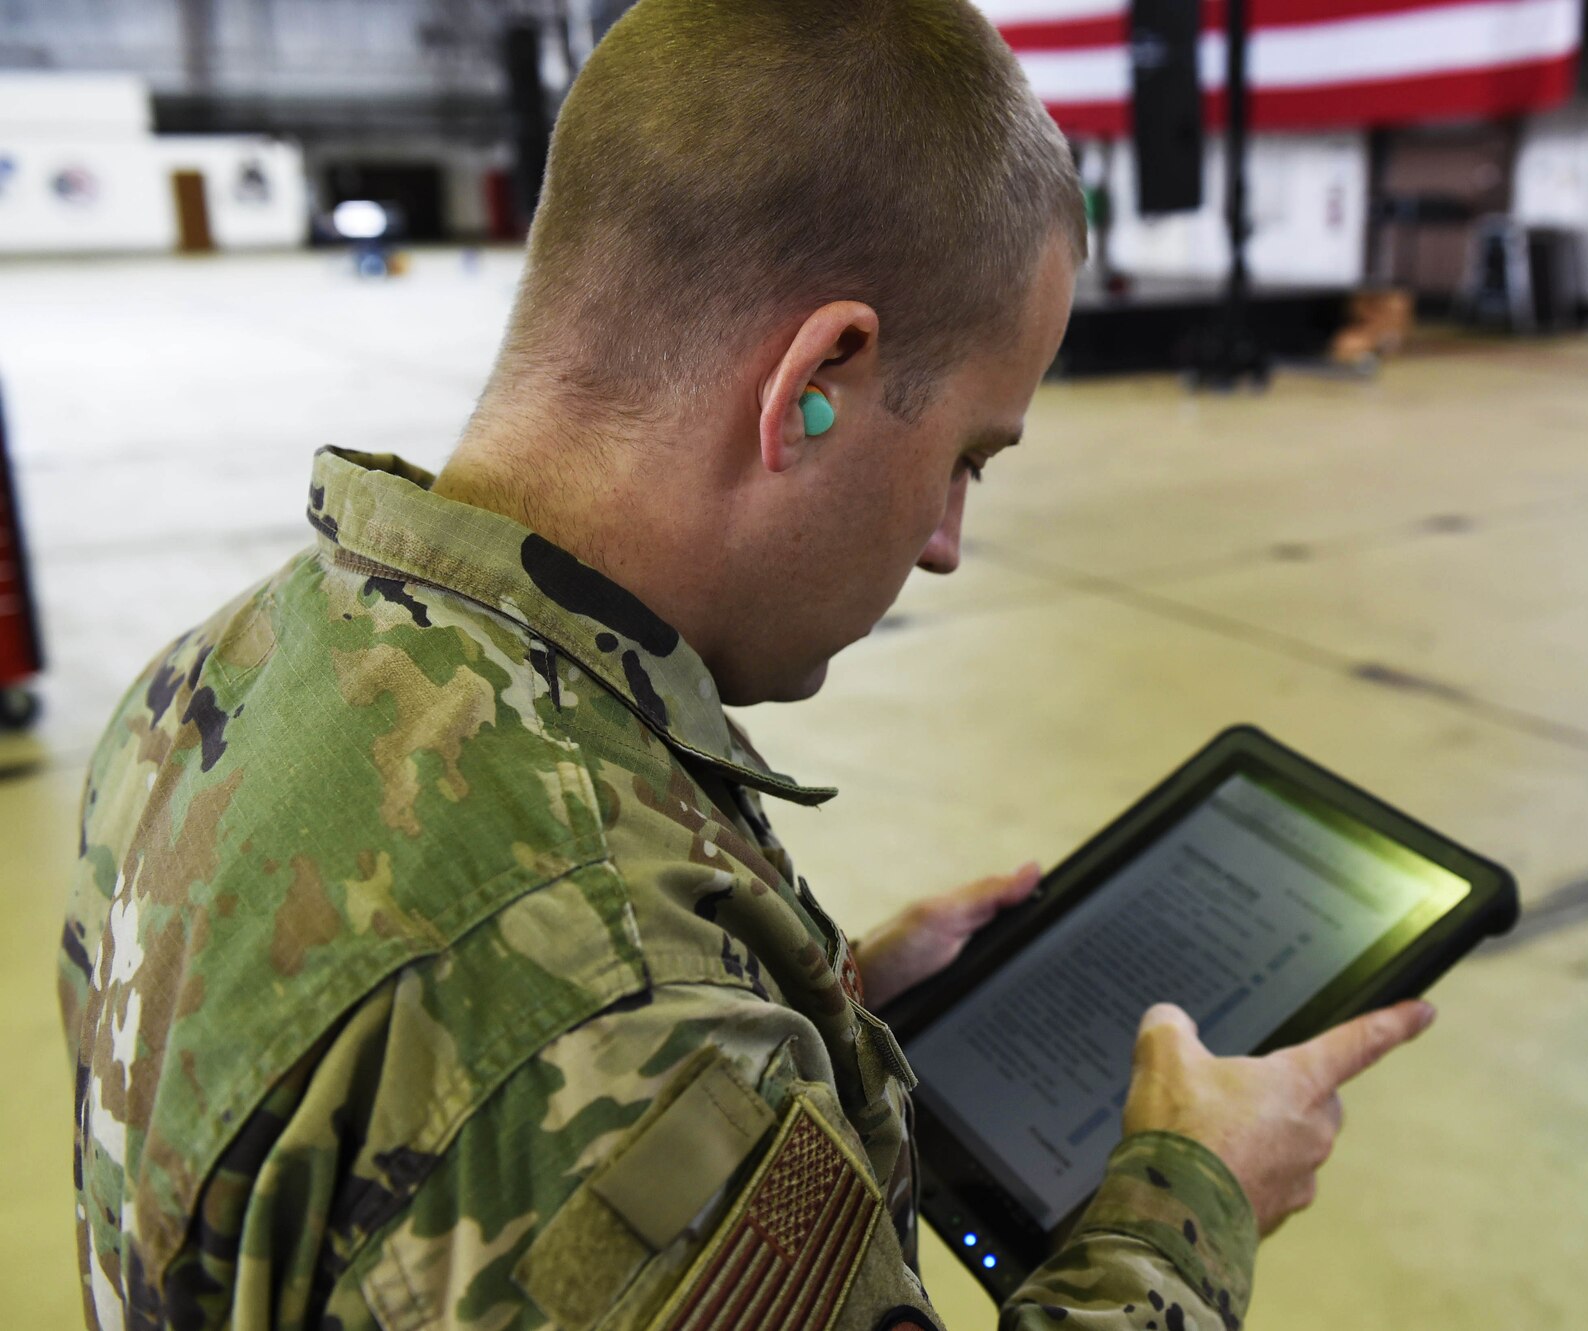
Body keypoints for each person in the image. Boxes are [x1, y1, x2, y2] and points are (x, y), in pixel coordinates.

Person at [57, 2, 1435, 1328]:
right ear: (815, 380)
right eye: (965, 456)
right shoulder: (602, 1004)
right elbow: (550, 1025)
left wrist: (799, 1010)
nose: (949, 540)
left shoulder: (226, 669)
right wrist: (1188, 1204)